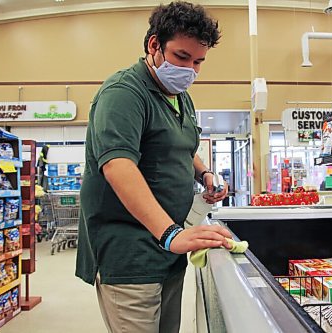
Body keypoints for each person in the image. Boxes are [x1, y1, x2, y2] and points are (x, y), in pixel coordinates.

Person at [75, 2, 232, 333]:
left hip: (169, 251)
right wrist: (170, 232)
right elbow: (118, 166)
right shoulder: (124, 93)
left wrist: (204, 174)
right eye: (182, 57)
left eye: (199, 61)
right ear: (154, 45)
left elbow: (183, 146)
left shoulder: (179, 95)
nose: (191, 70)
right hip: (131, 255)